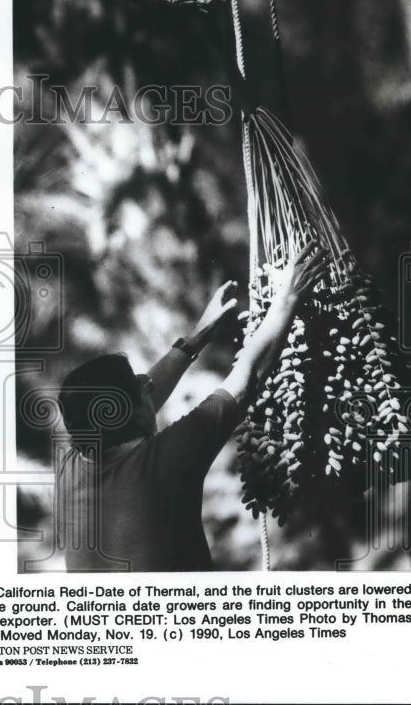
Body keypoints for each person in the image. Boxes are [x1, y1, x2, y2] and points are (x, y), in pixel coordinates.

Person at [55, 241, 328, 572]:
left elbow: (136, 402)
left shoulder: (71, 464)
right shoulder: (163, 463)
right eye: (140, 387)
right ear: (130, 411)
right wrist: (288, 298)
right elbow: (249, 377)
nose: (149, 382)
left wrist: (194, 341)